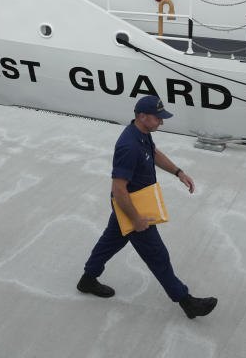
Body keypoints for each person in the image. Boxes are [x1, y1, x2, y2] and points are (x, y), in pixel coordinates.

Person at [77, 95, 217, 319]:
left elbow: (154, 154)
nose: (162, 122)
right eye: (158, 118)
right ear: (142, 117)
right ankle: (187, 302)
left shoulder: (141, 133)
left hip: (130, 206)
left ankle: (87, 280)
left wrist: (178, 172)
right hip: (132, 208)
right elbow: (119, 188)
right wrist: (136, 218)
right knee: (157, 256)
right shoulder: (128, 146)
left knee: (110, 242)